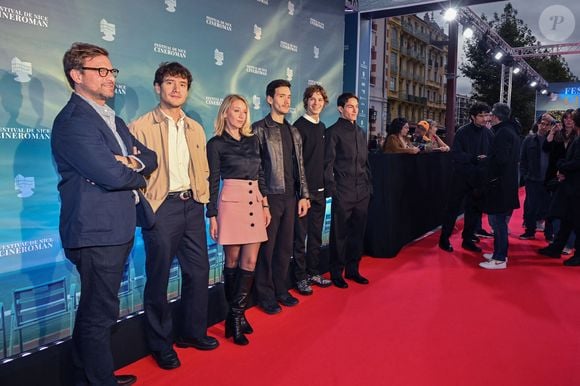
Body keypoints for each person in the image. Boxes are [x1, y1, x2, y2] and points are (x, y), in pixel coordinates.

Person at [51, 42, 157, 385]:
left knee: (97, 308)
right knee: (100, 312)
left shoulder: (113, 118)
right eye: (101, 71)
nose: (110, 77)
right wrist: (131, 168)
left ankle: (89, 376)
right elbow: (110, 175)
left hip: (117, 228)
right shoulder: (73, 121)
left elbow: (150, 157)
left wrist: (128, 162)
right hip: (95, 231)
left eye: (111, 71)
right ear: (76, 76)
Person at [129, 62, 218, 370]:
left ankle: (192, 333)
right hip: (161, 209)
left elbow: (202, 168)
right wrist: (147, 205)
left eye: (182, 84)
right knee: (159, 278)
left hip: (192, 206)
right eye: (170, 83)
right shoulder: (140, 126)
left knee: (198, 272)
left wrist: (203, 200)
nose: (177, 88)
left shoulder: (194, 126)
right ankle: (160, 344)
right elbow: (132, 171)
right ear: (158, 87)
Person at [206, 94, 271, 344]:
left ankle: (236, 315)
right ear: (225, 113)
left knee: (251, 261)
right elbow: (212, 180)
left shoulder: (253, 140)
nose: (241, 115)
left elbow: (261, 173)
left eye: (244, 111)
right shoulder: (216, 144)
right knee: (232, 261)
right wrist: (211, 215)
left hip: (254, 200)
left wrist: (265, 203)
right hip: (230, 204)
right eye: (236, 110)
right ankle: (235, 316)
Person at [252, 79, 310, 314]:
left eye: (289, 96)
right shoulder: (259, 129)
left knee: (285, 247)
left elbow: (301, 167)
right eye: (281, 96)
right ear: (269, 99)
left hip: (291, 197)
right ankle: (265, 295)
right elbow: (256, 168)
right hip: (270, 198)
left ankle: (280, 289)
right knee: (267, 249)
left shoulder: (293, 130)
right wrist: (263, 199)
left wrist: (304, 195)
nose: (287, 100)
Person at [324, 92, 373, 288]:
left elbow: (366, 163)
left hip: (362, 192)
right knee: (339, 235)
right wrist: (333, 190)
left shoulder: (361, 132)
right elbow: (327, 164)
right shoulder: (333, 132)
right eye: (350, 107)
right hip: (342, 191)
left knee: (357, 234)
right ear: (340, 109)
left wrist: (369, 187)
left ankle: (353, 270)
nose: (355, 110)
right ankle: (337, 272)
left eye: (356, 107)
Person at [292, 85, 333, 296]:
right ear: (306, 102)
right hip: (303, 195)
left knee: (316, 236)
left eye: (320, 100)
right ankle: (299, 278)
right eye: (312, 99)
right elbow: (297, 165)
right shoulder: (298, 127)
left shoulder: (322, 127)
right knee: (300, 238)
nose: (316, 103)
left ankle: (313, 272)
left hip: (320, 191)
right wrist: (303, 194)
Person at [438, 102, 494, 253]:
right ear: (472, 117)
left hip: (478, 178)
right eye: (481, 115)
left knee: (474, 211)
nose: (484, 118)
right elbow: (456, 154)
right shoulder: (462, 132)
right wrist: (475, 158)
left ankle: (467, 240)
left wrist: (486, 161)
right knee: (452, 209)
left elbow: (492, 154)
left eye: (486, 115)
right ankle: (444, 239)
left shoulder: (489, 133)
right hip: (460, 177)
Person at [479, 103, 521, 269]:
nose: (488, 118)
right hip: (506, 182)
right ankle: (499, 253)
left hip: (499, 184)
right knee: (499, 222)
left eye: (490, 115)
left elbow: (501, 160)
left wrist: (487, 159)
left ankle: (499, 258)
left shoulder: (503, 133)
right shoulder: (512, 131)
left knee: (498, 223)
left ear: (495, 116)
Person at [539, 108, 580, 262]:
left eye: (573, 118)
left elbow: (576, 162)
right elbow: (547, 148)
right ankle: (556, 247)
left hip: (573, 186)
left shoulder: (577, 138)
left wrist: (562, 166)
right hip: (565, 183)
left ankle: (575, 253)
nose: (569, 120)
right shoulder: (561, 135)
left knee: (574, 220)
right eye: (567, 118)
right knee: (565, 219)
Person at [518, 114, 551, 240]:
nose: (544, 126)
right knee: (530, 206)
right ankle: (530, 230)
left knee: (548, 207)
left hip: (548, 180)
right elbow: (523, 159)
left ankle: (549, 234)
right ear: (538, 124)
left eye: (547, 124)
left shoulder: (554, 140)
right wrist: (525, 175)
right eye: (542, 123)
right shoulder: (529, 140)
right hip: (532, 179)